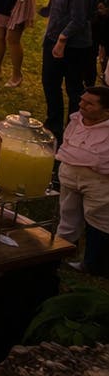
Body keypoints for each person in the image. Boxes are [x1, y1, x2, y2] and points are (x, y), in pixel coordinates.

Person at [42, 0, 95, 144]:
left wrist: (62, 39)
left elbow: (79, 20)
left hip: (73, 47)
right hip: (53, 39)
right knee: (50, 83)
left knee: (73, 88)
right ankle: (53, 125)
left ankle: (72, 130)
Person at [57, 86, 109, 275]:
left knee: (99, 221)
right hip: (70, 174)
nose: (81, 105)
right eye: (82, 100)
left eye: (89, 104)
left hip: (99, 182)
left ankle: (93, 263)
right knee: (68, 214)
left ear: (106, 111)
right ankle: (60, 252)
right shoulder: (76, 120)